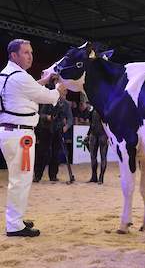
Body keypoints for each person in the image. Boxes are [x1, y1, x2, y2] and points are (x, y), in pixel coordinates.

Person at [0, 38, 66, 237]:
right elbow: (47, 97)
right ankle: (13, 225)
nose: (30, 56)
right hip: (20, 134)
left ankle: (16, 219)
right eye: (26, 52)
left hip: (11, 131)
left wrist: (44, 82)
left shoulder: (6, 74)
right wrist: (58, 89)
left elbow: (28, 90)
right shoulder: (20, 77)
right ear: (14, 55)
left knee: (18, 178)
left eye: (31, 52)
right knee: (21, 179)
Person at [34, 88, 73, 182]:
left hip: (58, 130)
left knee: (56, 154)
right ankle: (37, 175)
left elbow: (70, 118)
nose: (63, 94)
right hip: (46, 129)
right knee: (42, 152)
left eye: (64, 92)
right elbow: (41, 114)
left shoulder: (66, 104)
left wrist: (66, 127)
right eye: (62, 92)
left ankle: (53, 176)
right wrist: (47, 117)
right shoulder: (49, 102)